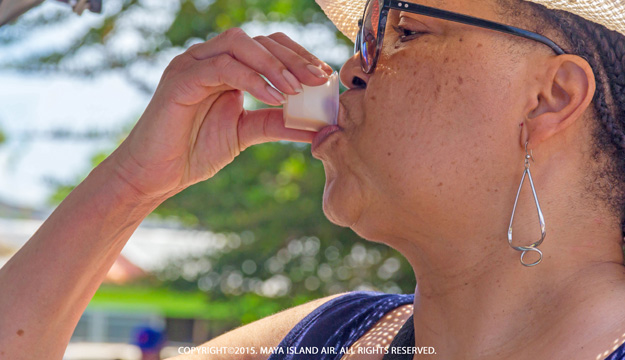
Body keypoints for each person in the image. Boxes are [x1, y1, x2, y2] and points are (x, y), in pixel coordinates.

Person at [1, 0, 625, 359]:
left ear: (551, 97)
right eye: (364, 37)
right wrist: (132, 183)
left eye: (404, 31)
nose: (354, 67)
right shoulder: (328, 340)